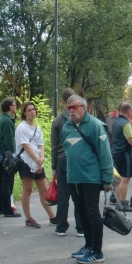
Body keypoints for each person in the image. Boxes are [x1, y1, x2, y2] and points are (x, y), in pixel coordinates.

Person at [62, 95, 113, 264]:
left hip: (91, 177)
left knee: (92, 212)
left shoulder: (95, 125)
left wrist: (107, 179)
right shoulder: (67, 126)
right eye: (69, 108)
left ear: (84, 107)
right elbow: (66, 151)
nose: (71, 110)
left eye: (74, 107)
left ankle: (97, 252)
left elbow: (105, 154)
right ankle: (89, 245)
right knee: (81, 211)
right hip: (73, 177)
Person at [15, 102, 58, 228]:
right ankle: (28, 218)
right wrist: (36, 159)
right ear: (24, 112)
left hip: (38, 162)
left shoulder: (37, 128)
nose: (32, 112)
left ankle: (52, 216)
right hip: (26, 161)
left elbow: (41, 145)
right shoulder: (21, 128)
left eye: (33, 109)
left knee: (44, 190)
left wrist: (41, 159)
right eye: (29, 110)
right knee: (27, 190)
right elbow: (26, 146)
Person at [51, 88, 84, 237]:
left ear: (63, 102)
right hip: (77, 159)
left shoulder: (57, 120)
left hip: (62, 159)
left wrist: (53, 166)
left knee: (63, 194)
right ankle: (81, 227)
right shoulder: (81, 117)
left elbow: (54, 145)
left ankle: (61, 226)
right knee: (79, 193)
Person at [112, 101, 132, 212]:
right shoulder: (126, 124)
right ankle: (123, 203)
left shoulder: (116, 122)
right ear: (129, 111)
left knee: (117, 179)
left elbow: (125, 128)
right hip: (125, 153)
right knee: (125, 179)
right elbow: (131, 141)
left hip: (115, 153)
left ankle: (118, 202)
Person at [0, 98, 20, 217]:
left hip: (1, 154)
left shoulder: (2, 119)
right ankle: (7, 209)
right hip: (7, 155)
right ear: (10, 107)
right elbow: (9, 140)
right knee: (7, 182)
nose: (16, 107)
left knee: (0, 181)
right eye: (15, 105)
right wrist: (13, 155)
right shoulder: (8, 121)